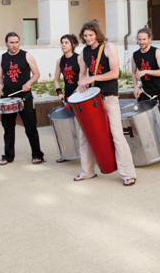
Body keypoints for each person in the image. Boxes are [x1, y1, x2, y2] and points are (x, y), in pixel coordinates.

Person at [74, 20, 137, 186]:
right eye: (85, 35)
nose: (88, 38)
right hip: (91, 99)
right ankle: (87, 171)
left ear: (97, 34)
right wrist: (82, 85)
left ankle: (127, 173)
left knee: (116, 134)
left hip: (108, 95)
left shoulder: (109, 47)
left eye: (91, 35)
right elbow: (82, 74)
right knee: (85, 135)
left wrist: (93, 77)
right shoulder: (83, 53)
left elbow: (115, 73)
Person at [131, 27, 160, 163]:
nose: (141, 42)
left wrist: (146, 71)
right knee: (145, 123)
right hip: (146, 93)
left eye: (144, 39)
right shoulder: (135, 55)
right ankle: (154, 150)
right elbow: (134, 74)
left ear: (149, 39)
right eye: (139, 39)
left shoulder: (156, 52)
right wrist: (135, 87)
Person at [0, 32, 45, 166]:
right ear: (6, 43)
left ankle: (37, 155)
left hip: (24, 97)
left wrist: (29, 83)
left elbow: (36, 74)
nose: (14, 45)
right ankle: (8, 156)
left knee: (30, 127)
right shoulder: (2, 58)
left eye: (16, 42)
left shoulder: (26, 55)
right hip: (7, 97)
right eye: (11, 42)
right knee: (8, 128)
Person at [53, 34, 81, 163]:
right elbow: (57, 79)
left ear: (73, 45)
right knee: (68, 127)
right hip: (68, 96)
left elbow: (84, 77)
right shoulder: (60, 60)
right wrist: (59, 92)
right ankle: (68, 153)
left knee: (81, 126)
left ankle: (86, 154)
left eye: (66, 43)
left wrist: (76, 92)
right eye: (62, 42)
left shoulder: (79, 58)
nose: (63, 45)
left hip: (79, 95)